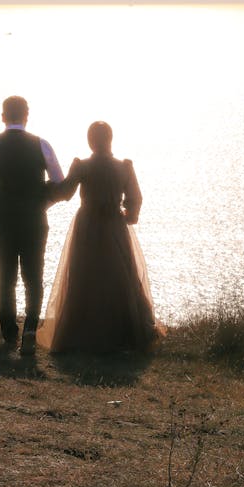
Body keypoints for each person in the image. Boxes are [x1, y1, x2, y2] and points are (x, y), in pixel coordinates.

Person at [38, 121, 163, 353]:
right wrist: (128, 215)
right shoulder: (124, 167)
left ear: (90, 141)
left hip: (87, 225)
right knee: (118, 276)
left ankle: (80, 332)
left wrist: (43, 189)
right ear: (110, 140)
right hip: (114, 225)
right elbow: (136, 198)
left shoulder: (81, 166)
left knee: (84, 274)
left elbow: (65, 193)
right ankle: (121, 333)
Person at [0, 96, 64, 355]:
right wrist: (43, 203)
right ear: (27, 115)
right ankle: (30, 329)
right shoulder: (42, 145)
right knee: (34, 276)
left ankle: (9, 334)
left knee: (6, 277)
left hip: (3, 219)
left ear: (3, 116)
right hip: (34, 219)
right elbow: (58, 181)